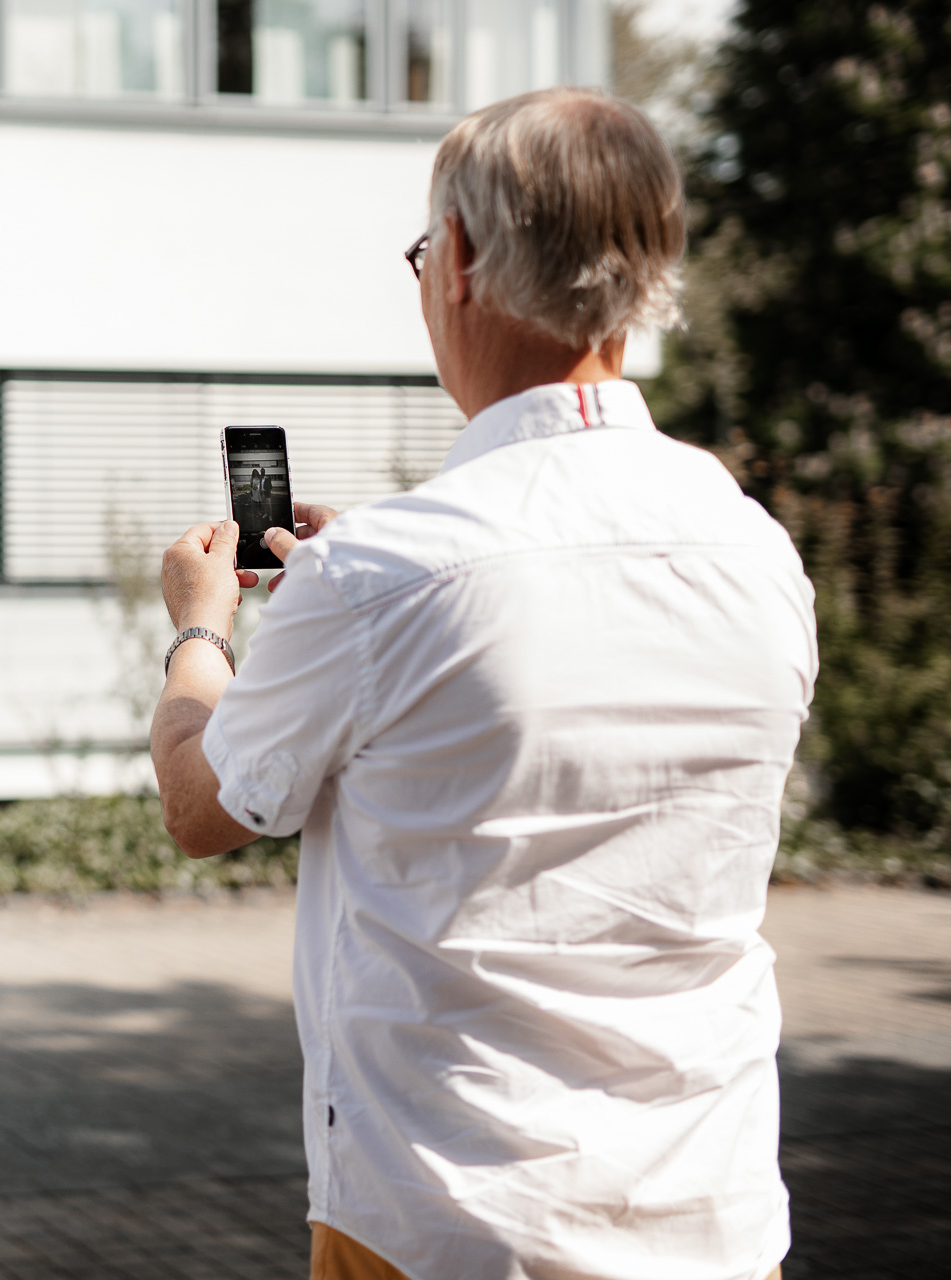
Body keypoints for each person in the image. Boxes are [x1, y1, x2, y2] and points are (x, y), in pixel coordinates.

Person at [152, 88, 812, 1280]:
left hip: (444, 1217)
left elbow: (204, 808)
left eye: (420, 250)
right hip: (715, 1211)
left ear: (457, 258)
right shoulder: (754, 545)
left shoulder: (382, 574)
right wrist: (368, 602)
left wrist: (201, 630)